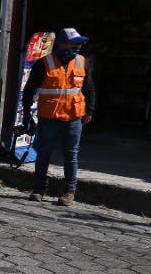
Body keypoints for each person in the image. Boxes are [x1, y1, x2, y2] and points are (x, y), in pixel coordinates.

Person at [22, 27, 96, 206]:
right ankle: (39, 189)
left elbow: (89, 89)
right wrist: (26, 113)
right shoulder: (44, 63)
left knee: (71, 155)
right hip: (49, 117)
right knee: (44, 154)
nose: (78, 47)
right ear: (62, 44)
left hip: (73, 117)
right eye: (74, 43)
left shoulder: (82, 62)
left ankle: (69, 192)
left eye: (79, 44)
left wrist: (90, 111)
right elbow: (29, 89)